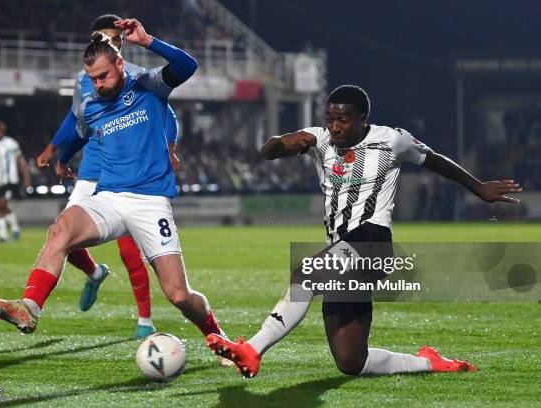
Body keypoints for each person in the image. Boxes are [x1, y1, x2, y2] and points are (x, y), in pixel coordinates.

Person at [207, 85, 522, 377]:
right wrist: (281, 142)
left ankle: (251, 350)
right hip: (342, 249)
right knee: (351, 360)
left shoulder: (392, 139)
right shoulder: (319, 140)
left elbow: (434, 160)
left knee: (305, 274)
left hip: (372, 241)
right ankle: (431, 362)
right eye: (330, 119)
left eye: (342, 119)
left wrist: (478, 187)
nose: (335, 127)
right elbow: (268, 151)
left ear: (361, 119)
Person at [0, 19, 228, 353]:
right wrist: (63, 158)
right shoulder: (91, 106)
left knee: (178, 295)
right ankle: (29, 308)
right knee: (61, 230)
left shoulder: (149, 84)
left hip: (149, 202)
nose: (97, 85)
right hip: (109, 198)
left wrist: (148, 41)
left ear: (120, 63)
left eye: (103, 76)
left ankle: (218, 337)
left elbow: (187, 66)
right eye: (93, 79)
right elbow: (79, 132)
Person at [35, 14, 179, 339]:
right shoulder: (84, 79)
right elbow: (75, 120)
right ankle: (94, 272)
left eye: (113, 38)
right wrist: (57, 153)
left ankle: (145, 319)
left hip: (127, 174)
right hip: (91, 170)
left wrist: (169, 147)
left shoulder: (139, 78)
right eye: (101, 38)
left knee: (129, 250)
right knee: (62, 236)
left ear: (121, 43)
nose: (107, 42)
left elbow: (168, 115)